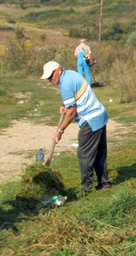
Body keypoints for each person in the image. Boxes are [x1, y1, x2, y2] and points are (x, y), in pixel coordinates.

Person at [41, 61, 110, 192]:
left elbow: (71, 112)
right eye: (48, 78)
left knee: (84, 154)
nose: (50, 80)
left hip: (91, 118)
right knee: (99, 152)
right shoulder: (71, 74)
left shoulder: (65, 84)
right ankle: (104, 183)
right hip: (100, 113)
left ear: (59, 70)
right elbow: (74, 96)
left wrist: (60, 130)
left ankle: (86, 188)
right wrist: (65, 104)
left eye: (51, 76)